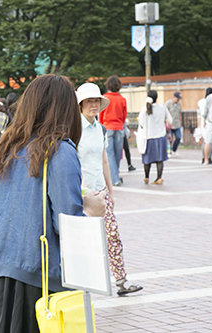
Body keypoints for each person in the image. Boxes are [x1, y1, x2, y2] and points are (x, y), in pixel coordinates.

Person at [0, 75, 106, 333]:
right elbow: (68, 223)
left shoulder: (6, 148)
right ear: (66, 108)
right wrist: (91, 210)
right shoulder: (59, 149)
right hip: (35, 277)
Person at [76, 82, 143, 296]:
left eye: (96, 101)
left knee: (112, 236)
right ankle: (79, 284)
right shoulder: (73, 129)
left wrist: (111, 191)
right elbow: (70, 162)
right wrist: (83, 188)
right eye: (89, 101)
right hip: (82, 194)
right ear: (80, 104)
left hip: (101, 191)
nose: (94, 105)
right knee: (83, 240)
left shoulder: (100, 128)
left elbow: (104, 160)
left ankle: (121, 281)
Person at [139, 90, 172, 185]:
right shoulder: (162, 107)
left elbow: (141, 121)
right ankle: (159, 178)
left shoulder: (144, 108)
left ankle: (146, 177)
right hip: (161, 136)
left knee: (147, 160)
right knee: (159, 159)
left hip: (148, 137)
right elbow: (170, 120)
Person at [100, 75, 128, 185]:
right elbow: (124, 115)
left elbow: (101, 114)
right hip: (119, 127)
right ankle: (115, 175)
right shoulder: (122, 99)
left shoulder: (105, 98)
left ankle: (114, 178)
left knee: (109, 154)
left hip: (107, 127)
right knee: (117, 154)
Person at [196, 88, 212, 164]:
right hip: (210, 122)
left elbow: (198, 114)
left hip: (202, 123)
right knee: (211, 141)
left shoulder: (200, 102)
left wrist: (198, 125)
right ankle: (208, 157)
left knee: (205, 140)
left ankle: (204, 157)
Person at [165, 91, 182, 157]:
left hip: (177, 124)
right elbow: (165, 113)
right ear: (173, 97)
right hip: (169, 125)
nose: (178, 100)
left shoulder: (179, 104)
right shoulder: (168, 103)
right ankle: (168, 151)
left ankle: (174, 149)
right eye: (177, 98)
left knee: (178, 137)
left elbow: (180, 113)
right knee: (170, 139)